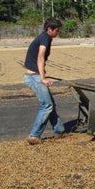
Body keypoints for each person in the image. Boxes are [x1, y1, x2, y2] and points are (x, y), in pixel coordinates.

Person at [24, 17, 67, 145]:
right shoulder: (45, 38)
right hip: (34, 77)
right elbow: (40, 58)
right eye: (57, 30)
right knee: (47, 105)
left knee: (50, 103)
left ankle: (59, 130)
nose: (58, 33)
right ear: (49, 29)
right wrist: (42, 78)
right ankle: (34, 135)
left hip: (33, 75)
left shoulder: (44, 37)